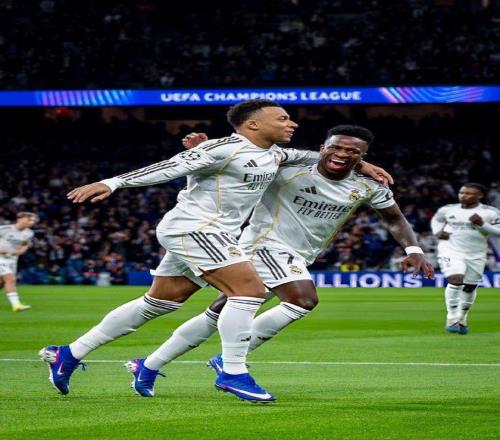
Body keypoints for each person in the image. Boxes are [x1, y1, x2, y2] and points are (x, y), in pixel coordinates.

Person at [38, 101, 390, 402]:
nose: (292, 123)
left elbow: (317, 156)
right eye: (282, 118)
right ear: (253, 124)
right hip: (195, 228)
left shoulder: (276, 154)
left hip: (215, 234)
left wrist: (362, 164)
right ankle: (233, 372)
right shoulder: (222, 149)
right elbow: (169, 167)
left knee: (159, 303)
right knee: (249, 291)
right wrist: (112, 183)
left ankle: (69, 354)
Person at [126, 125, 434, 397]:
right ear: (322, 148)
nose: (342, 154)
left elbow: (394, 218)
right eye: (336, 147)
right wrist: (206, 149)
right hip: (263, 245)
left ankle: (149, 365)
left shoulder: (368, 186)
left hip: (299, 254)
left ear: (363, 156)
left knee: (217, 314)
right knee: (303, 299)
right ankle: (231, 361)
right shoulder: (284, 169)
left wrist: (413, 249)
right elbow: (244, 158)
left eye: (353, 152)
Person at [431, 183, 500, 335]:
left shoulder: (490, 212)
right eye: (462, 192)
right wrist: (437, 232)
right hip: (450, 250)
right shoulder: (448, 209)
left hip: (476, 253)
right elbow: (437, 219)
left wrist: (482, 224)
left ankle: (462, 317)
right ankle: (452, 317)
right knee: (456, 280)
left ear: (479, 196)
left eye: (469, 193)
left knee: (470, 287)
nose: (464, 195)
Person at [0, 212, 38, 312]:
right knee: (10, 278)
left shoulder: (29, 233)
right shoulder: (4, 229)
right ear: (20, 219)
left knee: (2, 283)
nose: (32, 222)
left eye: (33, 221)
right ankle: (16, 305)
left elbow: (25, 245)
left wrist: (19, 252)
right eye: (29, 220)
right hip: (0, 258)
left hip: (12, 259)